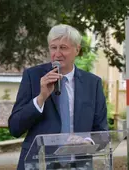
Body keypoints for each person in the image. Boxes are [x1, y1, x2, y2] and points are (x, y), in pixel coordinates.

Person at [8, 24, 108, 170]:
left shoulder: (92, 83)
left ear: (77, 50)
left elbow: (102, 131)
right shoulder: (33, 76)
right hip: (39, 164)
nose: (57, 53)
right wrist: (41, 97)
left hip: (79, 164)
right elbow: (15, 128)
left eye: (63, 47)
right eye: (53, 47)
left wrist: (88, 143)